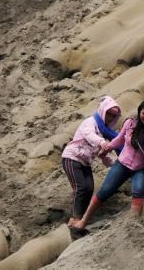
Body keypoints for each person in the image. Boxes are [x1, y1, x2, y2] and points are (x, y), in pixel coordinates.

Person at [69, 100, 144, 228]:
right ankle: (83, 222)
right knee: (104, 191)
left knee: (138, 192)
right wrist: (106, 148)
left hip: (142, 169)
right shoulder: (130, 123)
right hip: (122, 164)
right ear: (139, 112)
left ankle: (133, 225)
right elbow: (119, 140)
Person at [60, 96, 121, 238]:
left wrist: (111, 162)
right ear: (102, 111)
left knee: (89, 188)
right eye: (108, 114)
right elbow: (89, 135)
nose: (110, 118)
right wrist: (101, 142)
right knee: (80, 187)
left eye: (113, 116)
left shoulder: (104, 131)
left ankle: (78, 219)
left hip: (85, 162)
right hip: (72, 158)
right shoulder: (90, 122)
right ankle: (75, 219)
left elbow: (103, 153)